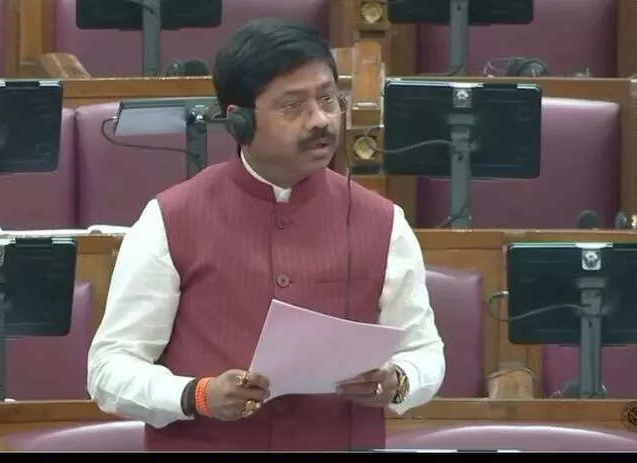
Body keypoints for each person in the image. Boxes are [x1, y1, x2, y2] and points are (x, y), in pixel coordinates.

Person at [87, 18, 445, 451]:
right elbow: (109, 369)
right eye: (293, 106)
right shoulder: (170, 218)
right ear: (239, 122)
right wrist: (196, 394)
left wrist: (399, 381)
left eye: (328, 99)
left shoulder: (384, 221)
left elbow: (425, 351)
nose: (320, 120)